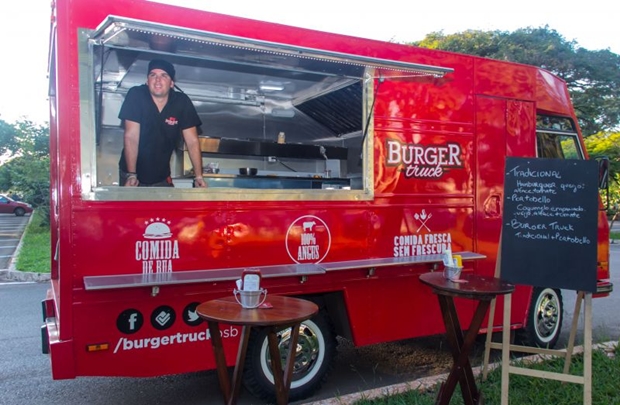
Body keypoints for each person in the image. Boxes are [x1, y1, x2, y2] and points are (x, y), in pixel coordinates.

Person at [118, 59, 207, 188]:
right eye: (153, 75)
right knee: (132, 208)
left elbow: (192, 141)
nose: (158, 80)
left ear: (171, 83)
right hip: (132, 173)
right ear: (147, 81)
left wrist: (199, 176)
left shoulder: (181, 102)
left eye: (164, 75)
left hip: (161, 175)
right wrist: (132, 174)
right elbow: (131, 137)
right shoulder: (136, 95)